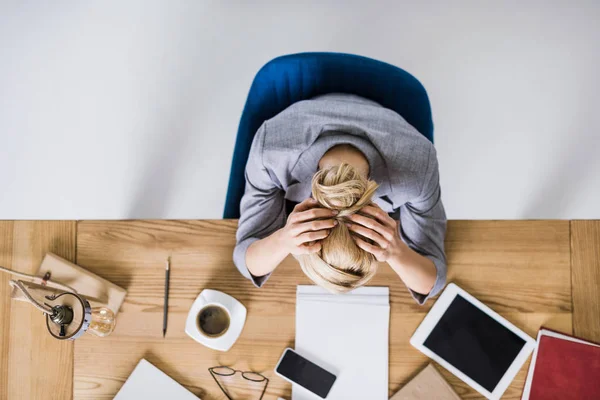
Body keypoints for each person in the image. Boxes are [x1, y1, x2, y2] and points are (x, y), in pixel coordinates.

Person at [233, 93, 446, 304]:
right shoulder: (269, 155)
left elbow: (433, 283)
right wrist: (282, 240)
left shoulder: (420, 169)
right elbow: (244, 262)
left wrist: (396, 252)